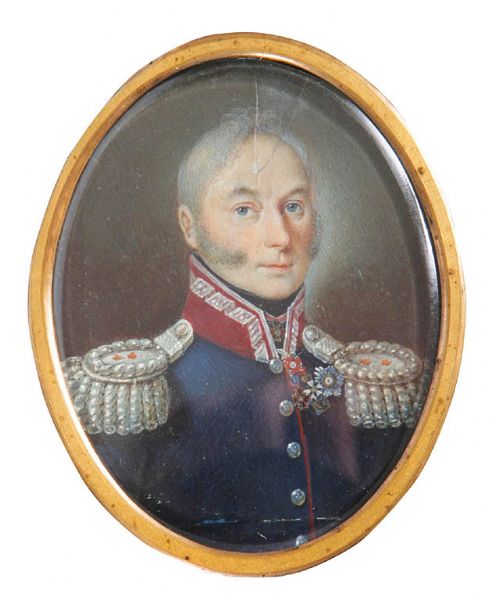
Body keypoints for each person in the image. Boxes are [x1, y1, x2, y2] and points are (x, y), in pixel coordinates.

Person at [62, 110, 422, 551]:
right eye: (245, 210)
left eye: (294, 206)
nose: (280, 237)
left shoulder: (371, 383)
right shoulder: (128, 392)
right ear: (190, 226)